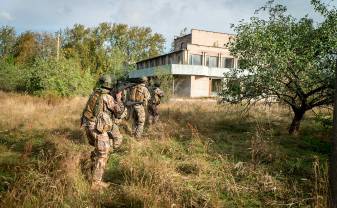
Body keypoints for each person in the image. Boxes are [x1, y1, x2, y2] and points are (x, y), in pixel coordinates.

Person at [81, 74, 124, 190]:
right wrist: (119, 98)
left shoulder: (94, 94)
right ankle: (96, 183)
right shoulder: (107, 97)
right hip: (98, 129)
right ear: (109, 85)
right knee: (103, 155)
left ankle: (89, 169)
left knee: (97, 150)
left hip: (89, 126)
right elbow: (118, 112)